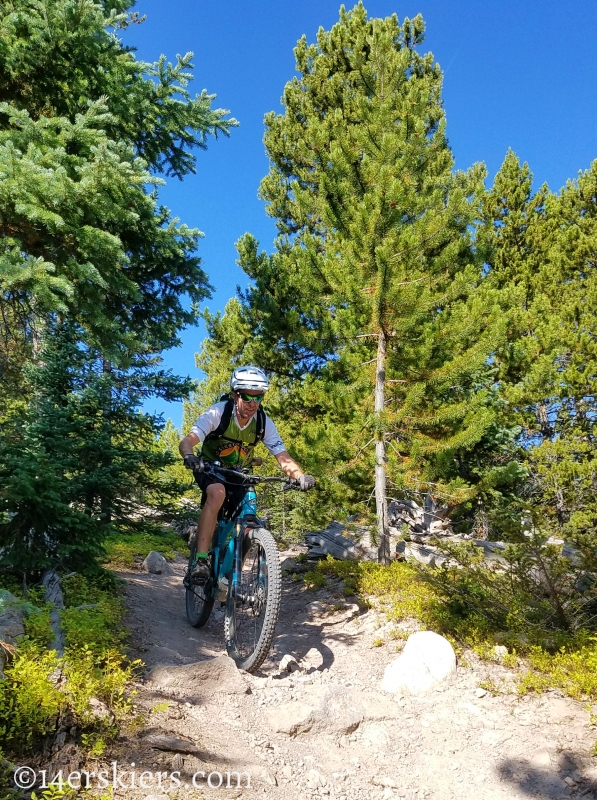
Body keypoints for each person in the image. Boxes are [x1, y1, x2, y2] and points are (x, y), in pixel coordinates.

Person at [179, 365, 315, 579]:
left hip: (241, 473)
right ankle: (201, 560)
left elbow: (283, 457)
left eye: (258, 397)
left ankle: (232, 577)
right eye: (246, 397)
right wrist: (190, 456)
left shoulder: (263, 422)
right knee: (217, 493)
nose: (252, 404)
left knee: (250, 508)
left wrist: (300, 476)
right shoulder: (218, 412)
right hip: (210, 467)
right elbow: (188, 440)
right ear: (235, 394)